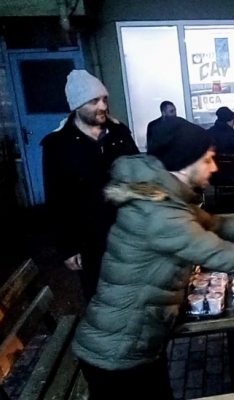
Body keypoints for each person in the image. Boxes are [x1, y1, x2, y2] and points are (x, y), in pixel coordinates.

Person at [72, 117, 234, 400]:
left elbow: (218, 224)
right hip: (118, 353)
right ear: (185, 164)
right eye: (208, 159)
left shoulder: (164, 198)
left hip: (134, 342)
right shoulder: (161, 215)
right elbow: (225, 256)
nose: (215, 167)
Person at [41, 69, 139, 303]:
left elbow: (139, 172)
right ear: (77, 105)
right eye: (94, 101)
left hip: (129, 233)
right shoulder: (58, 145)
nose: (102, 106)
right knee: (101, 298)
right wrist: (68, 247)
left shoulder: (119, 133)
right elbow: (57, 200)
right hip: (91, 239)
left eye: (104, 99)